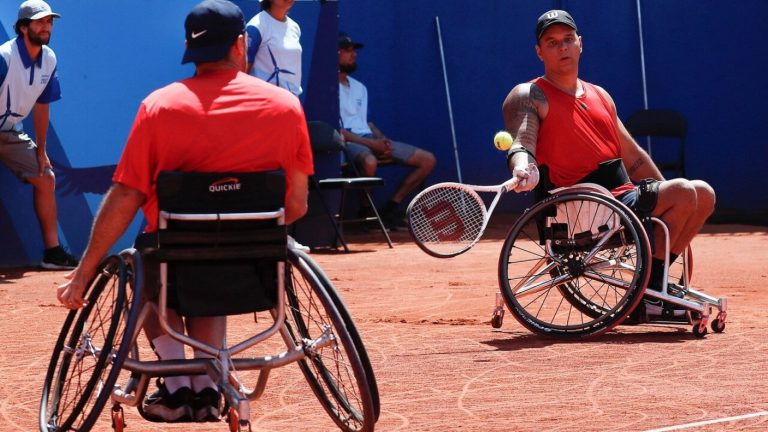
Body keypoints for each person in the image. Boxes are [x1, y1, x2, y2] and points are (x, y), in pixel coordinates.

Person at [56, 0, 313, 422]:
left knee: (146, 268)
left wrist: (84, 271)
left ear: (189, 48)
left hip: (172, 261)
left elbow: (125, 197)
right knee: (214, 266)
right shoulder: (286, 107)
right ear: (239, 46)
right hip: (253, 264)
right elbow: (297, 204)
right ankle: (208, 384)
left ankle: (177, 386)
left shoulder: (159, 107)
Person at [502, 10, 715, 311]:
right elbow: (522, 141)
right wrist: (522, 166)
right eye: (552, 43)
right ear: (539, 52)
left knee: (702, 194)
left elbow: (635, 159)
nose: (562, 47)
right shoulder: (529, 94)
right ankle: (651, 292)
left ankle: (655, 282)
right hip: (579, 210)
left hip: (618, 203)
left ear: (580, 44)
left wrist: (680, 199)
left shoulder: (600, 94)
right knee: (683, 191)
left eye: (568, 39)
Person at [0, 0, 78, 269]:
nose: (46, 27)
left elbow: (42, 107)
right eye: (39, 22)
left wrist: (42, 150)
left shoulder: (50, 58)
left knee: (45, 177)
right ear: (23, 28)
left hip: (10, 134)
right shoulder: (4, 57)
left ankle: (53, 252)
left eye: (49, 22)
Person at [338, 32, 436, 230]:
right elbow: (338, 130)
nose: (353, 55)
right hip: (347, 142)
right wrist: (372, 144)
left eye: (353, 51)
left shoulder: (360, 88)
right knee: (370, 162)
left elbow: (367, 122)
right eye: (348, 51)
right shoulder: (326, 88)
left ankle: (390, 209)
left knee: (428, 160)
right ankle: (366, 212)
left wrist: (383, 140)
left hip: (368, 138)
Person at [246, 0, 302, 97]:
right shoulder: (256, 27)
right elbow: (243, 72)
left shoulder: (295, 27)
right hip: (263, 102)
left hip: (291, 101)